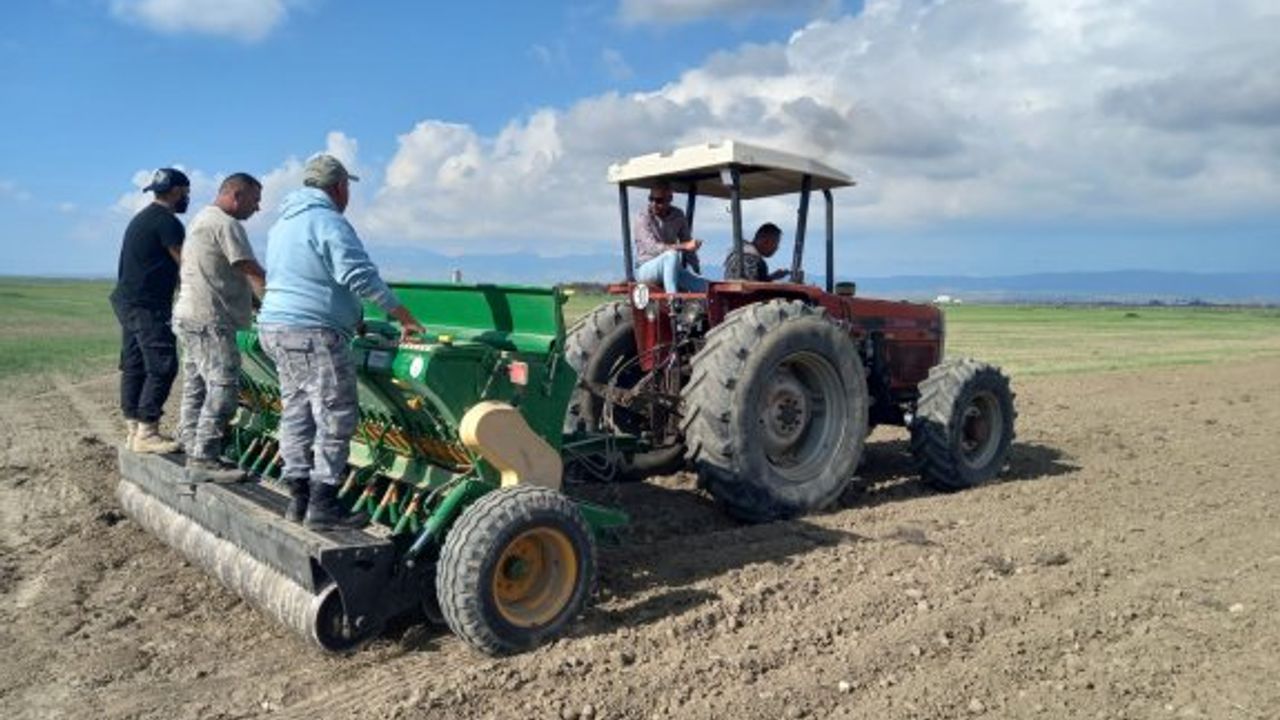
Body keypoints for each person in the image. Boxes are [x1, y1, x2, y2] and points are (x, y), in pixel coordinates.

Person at [256, 154, 425, 530]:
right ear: (338, 187)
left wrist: (355, 319)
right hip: (312, 333)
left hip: (276, 329)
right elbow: (358, 275)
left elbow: (313, 280)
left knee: (296, 412)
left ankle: (298, 500)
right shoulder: (328, 221)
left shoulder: (283, 224)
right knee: (336, 415)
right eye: (347, 187)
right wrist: (405, 318)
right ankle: (324, 506)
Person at [172, 173, 267, 484]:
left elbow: (224, 273)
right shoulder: (227, 224)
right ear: (236, 195)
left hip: (188, 315)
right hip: (211, 319)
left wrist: (253, 303)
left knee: (196, 384)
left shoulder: (201, 219)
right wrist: (276, 300)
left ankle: (190, 441)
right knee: (224, 385)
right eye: (254, 200)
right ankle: (204, 458)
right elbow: (248, 269)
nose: (258, 207)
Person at [110, 167, 191, 454]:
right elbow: (187, 265)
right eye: (186, 193)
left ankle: (133, 430)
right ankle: (147, 431)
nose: (187, 199)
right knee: (162, 364)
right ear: (177, 191)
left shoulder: (142, 218)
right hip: (147, 304)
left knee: (135, 363)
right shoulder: (168, 222)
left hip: (127, 300)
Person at [633, 180, 708, 293]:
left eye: (659, 200)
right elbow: (652, 248)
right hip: (647, 268)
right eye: (651, 199)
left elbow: (687, 243)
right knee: (671, 255)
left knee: (705, 286)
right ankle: (673, 300)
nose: (653, 204)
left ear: (669, 199)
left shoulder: (678, 215)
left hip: (672, 268)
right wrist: (684, 246)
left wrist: (696, 269)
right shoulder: (643, 217)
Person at [723, 222, 791, 282]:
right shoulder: (753, 259)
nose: (777, 248)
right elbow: (752, 287)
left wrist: (772, 277)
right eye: (776, 243)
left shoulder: (739, 252)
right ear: (766, 241)